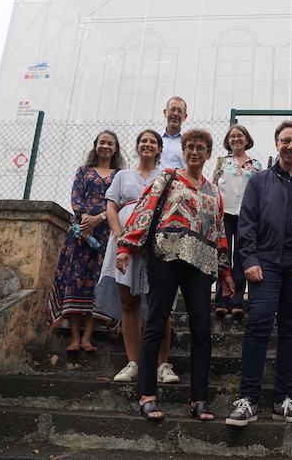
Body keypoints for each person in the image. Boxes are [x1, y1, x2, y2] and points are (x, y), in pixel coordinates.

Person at [117, 129, 234, 422]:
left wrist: (225, 271)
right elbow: (145, 210)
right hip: (165, 256)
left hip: (200, 263)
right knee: (156, 321)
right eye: (190, 147)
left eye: (201, 148)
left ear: (209, 154)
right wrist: (126, 247)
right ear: (183, 151)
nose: (195, 152)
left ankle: (199, 400)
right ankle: (147, 395)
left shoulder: (214, 192)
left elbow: (219, 232)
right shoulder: (167, 177)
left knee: (202, 331)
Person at [225, 120, 292, 427]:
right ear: (277, 144)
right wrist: (249, 260)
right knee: (257, 324)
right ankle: (248, 399)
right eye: (286, 140)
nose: (291, 146)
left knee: (290, 331)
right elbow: (246, 224)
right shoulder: (259, 181)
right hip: (265, 264)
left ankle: (284, 399)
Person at [99, 129, 178, 384]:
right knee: (129, 303)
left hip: (157, 245)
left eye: (153, 142)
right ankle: (132, 362)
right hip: (124, 244)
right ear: (136, 146)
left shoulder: (167, 176)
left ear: (159, 149)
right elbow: (111, 206)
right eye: (143, 141)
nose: (148, 144)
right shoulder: (123, 176)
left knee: (160, 305)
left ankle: (163, 365)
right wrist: (120, 235)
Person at [47, 130, 125, 352]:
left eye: (110, 143)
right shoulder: (83, 171)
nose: (105, 147)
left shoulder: (119, 174)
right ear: (96, 145)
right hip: (80, 232)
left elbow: (118, 202)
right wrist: (84, 220)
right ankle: (74, 338)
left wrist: (99, 218)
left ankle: (87, 338)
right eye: (102, 142)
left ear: (115, 148)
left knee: (97, 282)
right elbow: (75, 196)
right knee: (76, 278)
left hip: (106, 231)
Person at [212, 124, 263, 320]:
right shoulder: (221, 161)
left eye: (239, 136)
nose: (236, 139)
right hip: (225, 213)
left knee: (242, 257)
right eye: (232, 136)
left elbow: (260, 191)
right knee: (223, 254)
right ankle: (221, 300)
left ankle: (237, 302)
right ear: (228, 141)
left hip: (246, 215)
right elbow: (214, 186)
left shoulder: (256, 165)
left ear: (246, 139)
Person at [159, 96, 188, 169]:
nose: (175, 114)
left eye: (179, 111)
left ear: (185, 116)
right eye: (172, 109)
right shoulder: (155, 140)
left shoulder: (189, 141)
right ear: (165, 112)